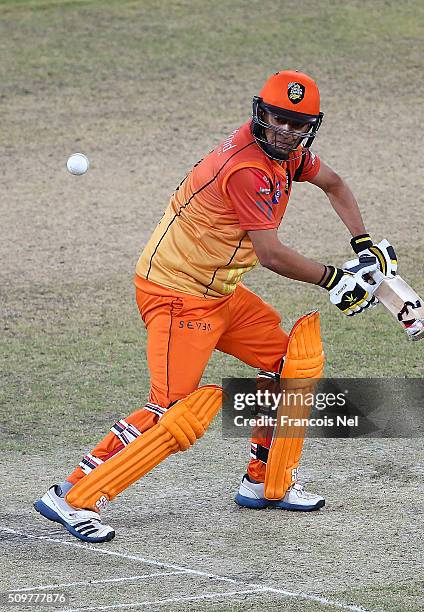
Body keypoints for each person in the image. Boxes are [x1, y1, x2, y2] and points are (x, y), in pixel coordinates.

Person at [34, 70, 397, 543]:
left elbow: (335, 184)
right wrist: (334, 278)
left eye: (297, 122)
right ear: (260, 114)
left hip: (218, 292)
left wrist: (364, 244)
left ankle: (266, 480)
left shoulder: (289, 154)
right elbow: (270, 254)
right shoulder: (248, 168)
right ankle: (72, 494)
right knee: (173, 411)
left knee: (290, 362)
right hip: (176, 294)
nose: (286, 129)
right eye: (278, 118)